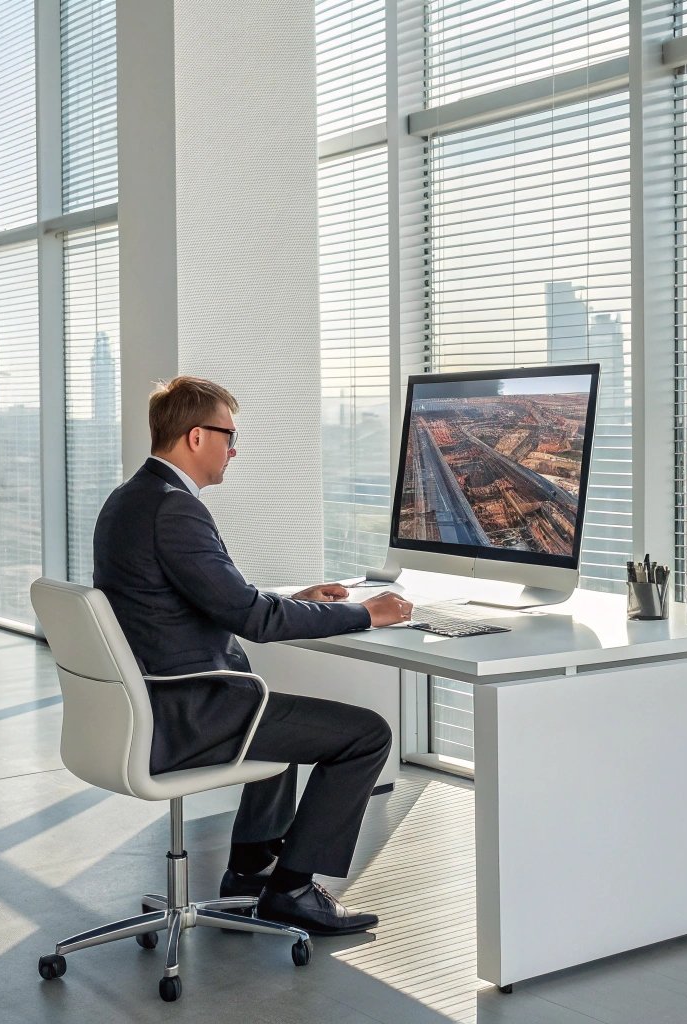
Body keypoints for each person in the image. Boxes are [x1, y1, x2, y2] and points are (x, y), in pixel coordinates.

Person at [93, 375, 412, 936]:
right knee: (367, 735)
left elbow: (209, 599)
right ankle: (292, 890)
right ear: (196, 437)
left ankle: (251, 865)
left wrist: (297, 601)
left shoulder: (131, 498)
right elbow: (253, 620)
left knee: (282, 715)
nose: (234, 450)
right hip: (192, 712)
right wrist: (367, 614)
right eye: (229, 436)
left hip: (155, 702)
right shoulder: (174, 510)